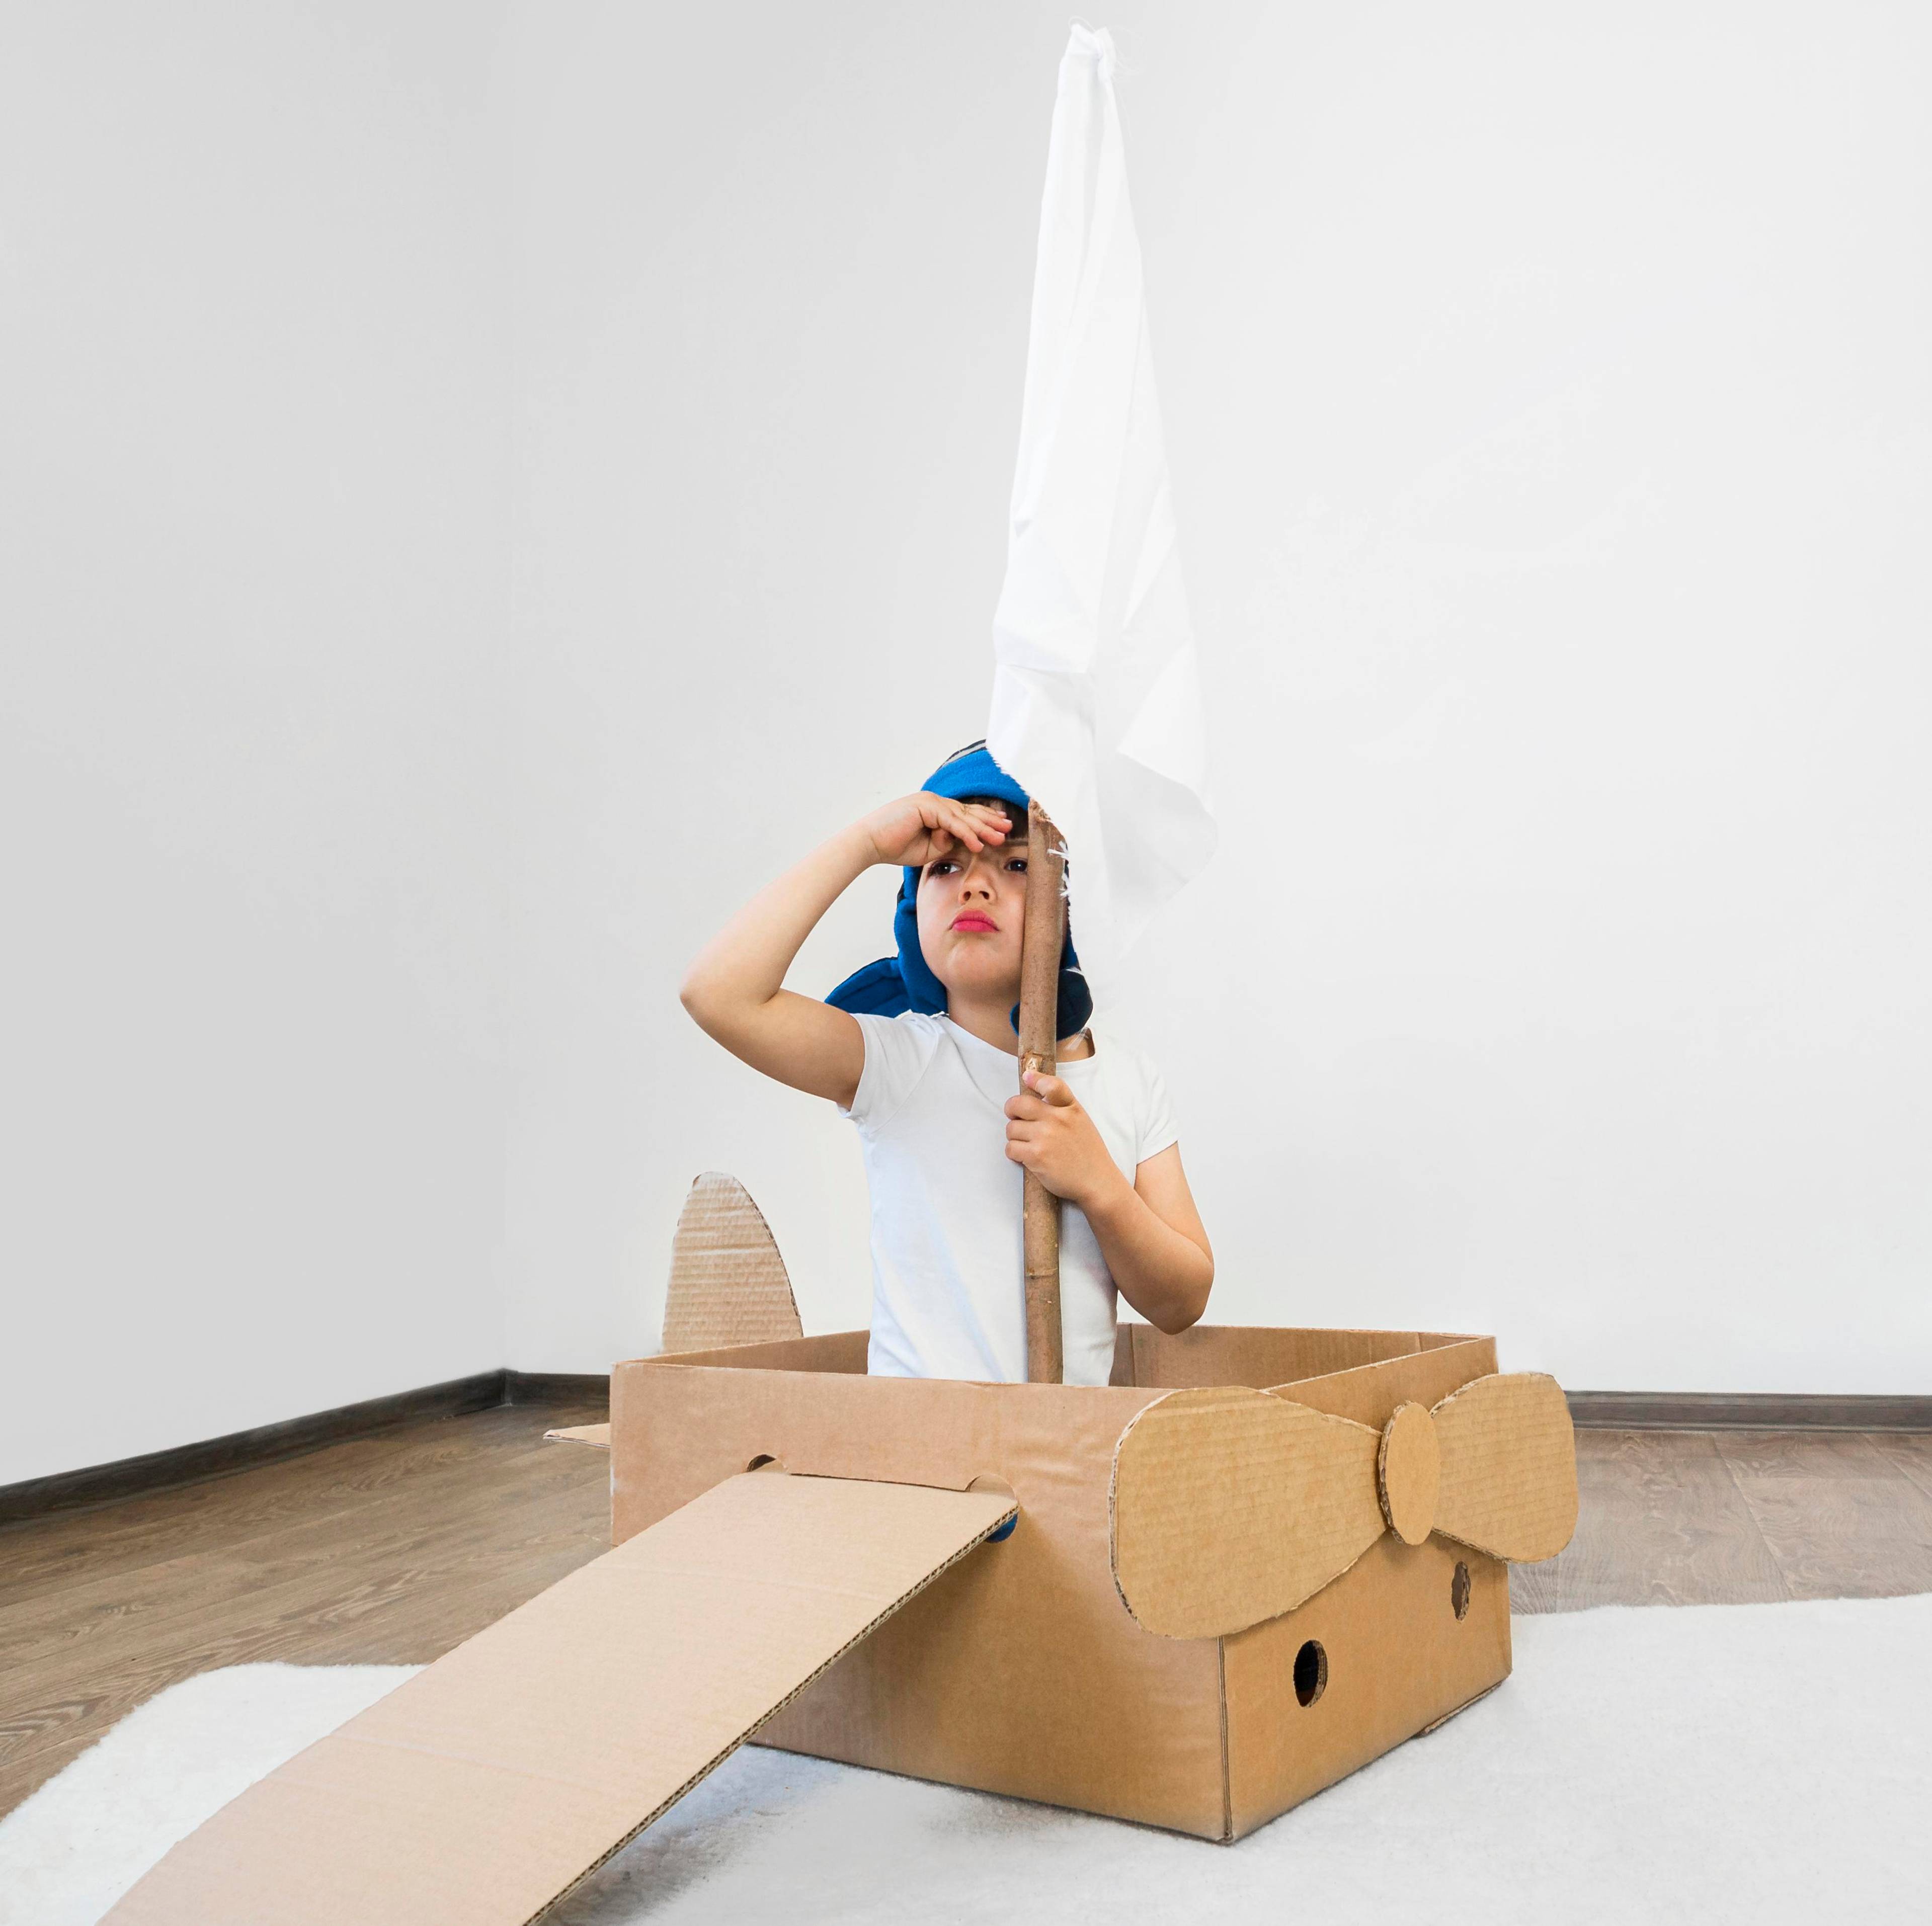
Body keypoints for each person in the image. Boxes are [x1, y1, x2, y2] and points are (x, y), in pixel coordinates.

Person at [680, 741, 1213, 1385]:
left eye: (1018, 865)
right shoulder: (897, 1061)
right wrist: (867, 844)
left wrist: (1100, 1185)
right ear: (912, 910)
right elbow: (717, 994)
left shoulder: (1129, 1083)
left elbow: (1183, 1302)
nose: (976, 884)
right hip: (923, 1456)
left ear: (1076, 910)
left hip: (1068, 1459)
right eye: (944, 866)